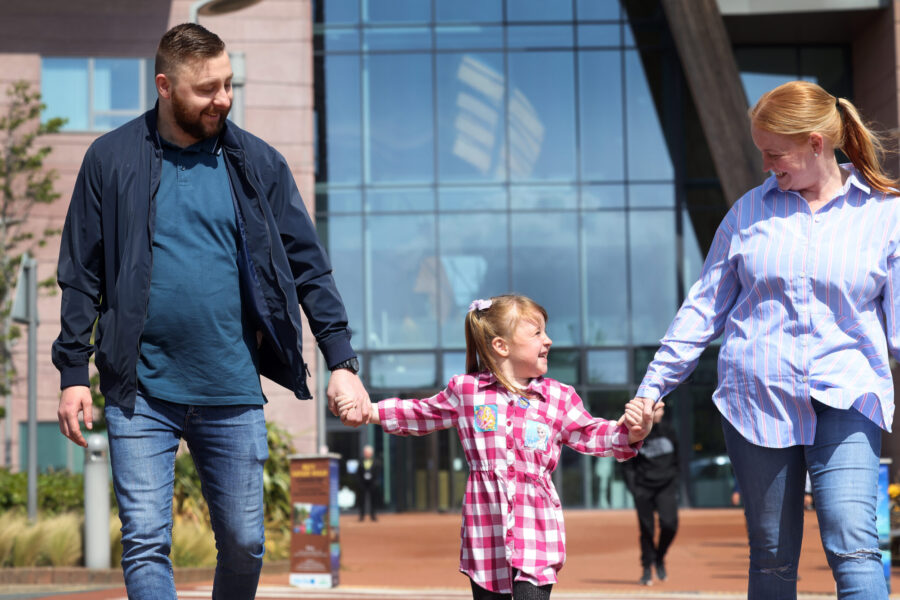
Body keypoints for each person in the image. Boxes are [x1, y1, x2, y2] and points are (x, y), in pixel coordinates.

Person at [51, 23, 371, 600]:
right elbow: (81, 274)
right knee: (146, 540)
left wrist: (340, 359)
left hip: (230, 386)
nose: (223, 99)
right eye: (207, 89)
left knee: (246, 541)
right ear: (165, 86)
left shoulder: (258, 164)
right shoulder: (110, 159)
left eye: (228, 84)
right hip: (139, 390)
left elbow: (308, 266)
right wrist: (73, 372)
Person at [631, 80, 899, 600]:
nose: (765, 166)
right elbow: (702, 310)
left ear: (815, 144)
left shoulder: (884, 214)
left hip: (847, 395)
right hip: (757, 402)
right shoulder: (748, 214)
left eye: (774, 153)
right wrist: (651, 390)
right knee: (772, 556)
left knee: (854, 543)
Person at [338, 295, 660, 599]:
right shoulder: (467, 391)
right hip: (484, 534)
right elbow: (423, 413)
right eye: (537, 333)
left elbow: (592, 434)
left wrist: (631, 433)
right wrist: (370, 412)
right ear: (501, 346)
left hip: (537, 533)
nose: (548, 340)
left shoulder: (559, 397)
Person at [622, 404, 679, 586]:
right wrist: (634, 488)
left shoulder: (669, 430)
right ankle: (647, 568)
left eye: (662, 410)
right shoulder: (638, 432)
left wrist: (674, 479)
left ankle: (659, 557)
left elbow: (677, 458)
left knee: (670, 524)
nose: (660, 413)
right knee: (647, 530)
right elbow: (626, 462)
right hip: (643, 487)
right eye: (656, 410)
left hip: (666, 486)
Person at [357, 444, 380, 521]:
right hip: (363, 483)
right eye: (365, 452)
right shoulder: (360, 461)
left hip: (372, 483)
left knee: (373, 500)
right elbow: (358, 473)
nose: (366, 453)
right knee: (362, 500)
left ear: (371, 453)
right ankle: (361, 516)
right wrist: (359, 482)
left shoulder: (376, 462)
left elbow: (377, 473)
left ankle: (373, 515)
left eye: (367, 452)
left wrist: (375, 482)